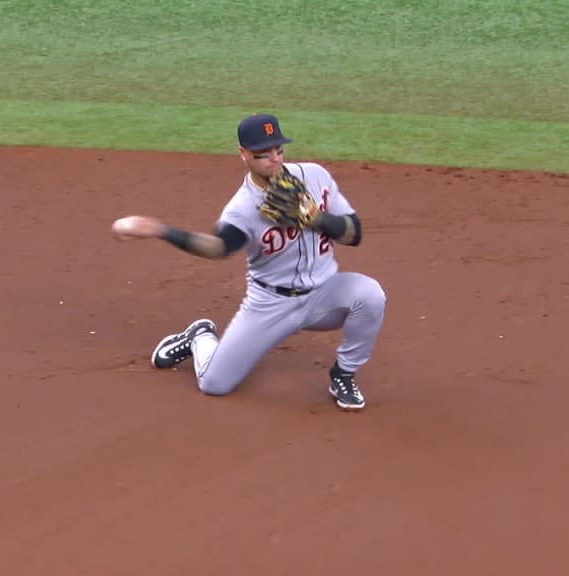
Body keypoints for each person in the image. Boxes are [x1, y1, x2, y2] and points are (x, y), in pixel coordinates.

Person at [111, 113, 387, 410]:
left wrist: (317, 218)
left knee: (370, 295)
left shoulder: (314, 176)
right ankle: (200, 337)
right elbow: (217, 248)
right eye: (262, 154)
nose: (274, 160)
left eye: (278, 150)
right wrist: (158, 230)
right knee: (214, 384)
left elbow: (354, 233)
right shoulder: (242, 207)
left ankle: (343, 374)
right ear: (242, 154)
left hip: (324, 294)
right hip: (271, 304)